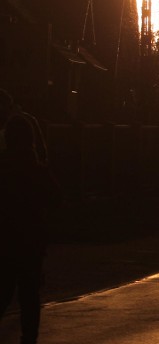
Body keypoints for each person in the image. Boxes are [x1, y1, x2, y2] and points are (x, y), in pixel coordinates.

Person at [0, 114, 62, 344]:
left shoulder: (3, 168)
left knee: (4, 290)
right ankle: (29, 339)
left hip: (5, 239)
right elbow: (56, 198)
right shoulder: (37, 169)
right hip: (30, 240)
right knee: (29, 295)